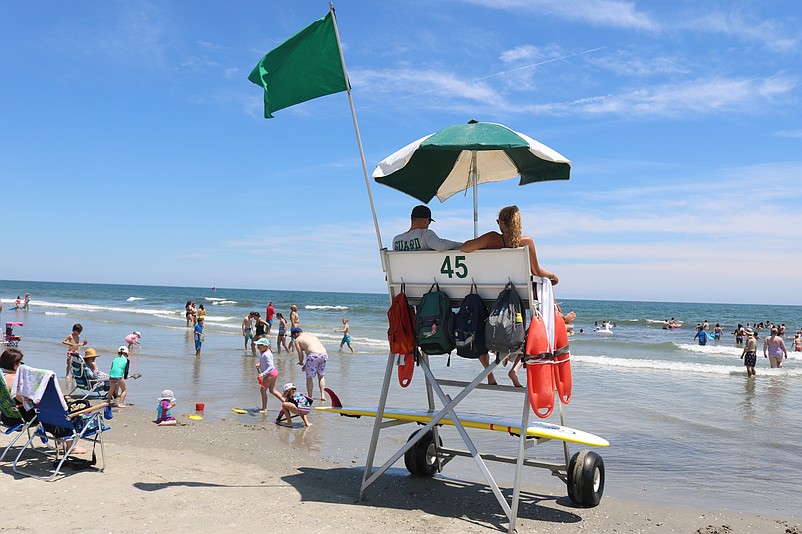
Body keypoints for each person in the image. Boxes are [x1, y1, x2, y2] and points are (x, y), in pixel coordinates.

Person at [460, 205, 559, 385]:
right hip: (517, 302)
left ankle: (489, 374)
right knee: (536, 324)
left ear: (502, 223)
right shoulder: (526, 242)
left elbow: (465, 249)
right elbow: (536, 271)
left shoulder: (492, 238)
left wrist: (481, 241)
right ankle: (515, 366)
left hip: (491, 300)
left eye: (498, 221)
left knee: (479, 330)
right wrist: (552, 276)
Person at [392, 205, 462, 251]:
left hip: (403, 273)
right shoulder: (425, 234)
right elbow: (441, 246)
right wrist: (462, 245)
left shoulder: (396, 240)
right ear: (426, 221)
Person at [1, 348, 36, 427]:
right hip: (21, 419)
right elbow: (25, 401)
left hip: (6, 417)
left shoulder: (2, 378)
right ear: (14, 364)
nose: (23, 366)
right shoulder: (15, 379)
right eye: (21, 363)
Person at [291, 328, 328, 401]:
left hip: (313, 356)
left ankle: (310, 396)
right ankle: (323, 395)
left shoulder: (297, 340)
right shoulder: (312, 336)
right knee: (321, 376)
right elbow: (312, 350)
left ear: (296, 334)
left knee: (309, 377)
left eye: (293, 336)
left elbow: (300, 354)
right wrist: (306, 365)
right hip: (324, 354)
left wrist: (301, 362)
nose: (294, 338)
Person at [254, 338, 283, 413]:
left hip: (270, 373)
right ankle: (285, 401)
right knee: (272, 390)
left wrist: (262, 374)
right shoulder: (265, 352)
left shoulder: (266, 354)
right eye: (257, 345)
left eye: (259, 345)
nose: (257, 347)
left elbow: (271, 366)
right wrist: (260, 365)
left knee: (263, 390)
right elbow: (265, 364)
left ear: (265, 346)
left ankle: (264, 408)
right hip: (273, 372)